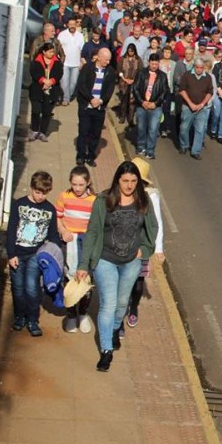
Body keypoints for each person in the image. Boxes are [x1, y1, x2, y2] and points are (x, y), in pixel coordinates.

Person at [76, 161, 158, 372]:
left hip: (131, 262)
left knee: (122, 303)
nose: (129, 185)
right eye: (125, 181)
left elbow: (153, 226)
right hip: (105, 260)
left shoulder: (143, 201)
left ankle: (114, 329)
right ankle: (106, 350)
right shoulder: (103, 201)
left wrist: (146, 249)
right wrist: (84, 264)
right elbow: (92, 232)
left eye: (133, 181)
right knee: (108, 304)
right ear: (117, 180)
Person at [6, 171, 61, 337]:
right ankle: (19, 317)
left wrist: (55, 254)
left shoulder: (50, 209)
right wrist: (11, 254)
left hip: (35, 256)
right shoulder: (19, 205)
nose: (40, 196)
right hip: (17, 254)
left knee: (32, 288)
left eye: (44, 193)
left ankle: (32, 319)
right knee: (18, 288)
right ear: (31, 188)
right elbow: (11, 230)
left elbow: (52, 235)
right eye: (38, 192)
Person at [126, 157, 165, 329]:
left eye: (137, 181)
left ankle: (133, 307)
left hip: (142, 246)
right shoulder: (119, 193)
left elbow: (157, 224)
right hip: (122, 244)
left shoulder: (151, 197)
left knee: (138, 283)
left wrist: (158, 249)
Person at [56, 166, 96, 334]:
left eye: (81, 185)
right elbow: (57, 218)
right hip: (68, 242)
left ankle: (83, 314)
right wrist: (64, 231)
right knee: (68, 277)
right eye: (74, 184)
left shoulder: (95, 200)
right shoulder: (63, 196)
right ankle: (71, 314)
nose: (77, 188)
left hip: (86, 244)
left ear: (88, 183)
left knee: (86, 279)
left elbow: (96, 226)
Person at [75, 48, 117, 167]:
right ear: (98, 57)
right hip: (86, 106)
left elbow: (110, 90)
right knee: (83, 131)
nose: (107, 62)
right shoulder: (87, 68)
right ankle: (81, 155)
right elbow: (82, 85)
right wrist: (91, 99)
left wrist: (101, 101)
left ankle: (91, 156)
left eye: (109, 60)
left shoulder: (110, 72)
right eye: (105, 59)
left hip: (99, 108)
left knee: (95, 133)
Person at [131, 53, 169, 159]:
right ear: (149, 62)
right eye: (152, 64)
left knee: (153, 129)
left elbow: (164, 91)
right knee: (141, 127)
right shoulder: (141, 73)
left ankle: (150, 150)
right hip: (142, 105)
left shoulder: (162, 76)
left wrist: (155, 103)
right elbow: (135, 88)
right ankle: (141, 146)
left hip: (155, 107)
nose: (154, 66)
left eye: (156, 64)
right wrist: (142, 102)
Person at [178, 59, 214, 160]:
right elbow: (182, 90)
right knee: (184, 128)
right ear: (194, 66)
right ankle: (184, 145)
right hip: (187, 107)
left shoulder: (207, 77)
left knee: (200, 130)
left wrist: (202, 104)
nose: (199, 70)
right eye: (197, 67)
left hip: (202, 108)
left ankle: (195, 151)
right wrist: (190, 103)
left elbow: (210, 92)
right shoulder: (187, 75)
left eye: (201, 68)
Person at [28, 43, 64, 142]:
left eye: (53, 51)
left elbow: (59, 74)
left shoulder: (57, 62)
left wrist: (51, 82)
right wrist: (43, 80)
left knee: (47, 112)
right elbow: (34, 72)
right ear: (44, 52)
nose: (52, 54)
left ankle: (43, 132)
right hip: (37, 89)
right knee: (36, 111)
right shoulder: (36, 61)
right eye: (50, 51)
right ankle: (35, 130)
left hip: (51, 91)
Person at [57, 18, 84, 105]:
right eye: (70, 24)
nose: (72, 26)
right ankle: (66, 98)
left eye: (74, 24)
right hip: (65, 63)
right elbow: (58, 48)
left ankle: (68, 95)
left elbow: (82, 49)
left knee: (73, 83)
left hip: (76, 63)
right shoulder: (62, 34)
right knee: (64, 82)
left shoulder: (80, 35)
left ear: (76, 25)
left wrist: (81, 62)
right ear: (67, 25)